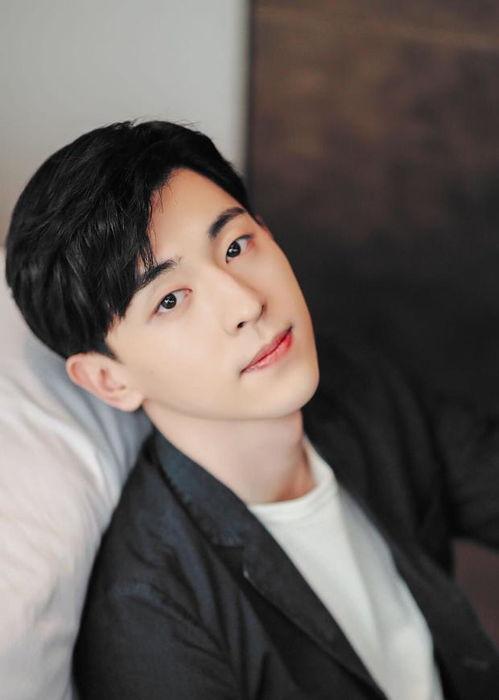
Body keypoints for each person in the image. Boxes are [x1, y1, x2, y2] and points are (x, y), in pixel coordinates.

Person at [5, 120, 499, 700]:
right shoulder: (153, 624)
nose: (246, 303)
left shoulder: (358, 384)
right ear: (109, 380)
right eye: (170, 299)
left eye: (236, 247)